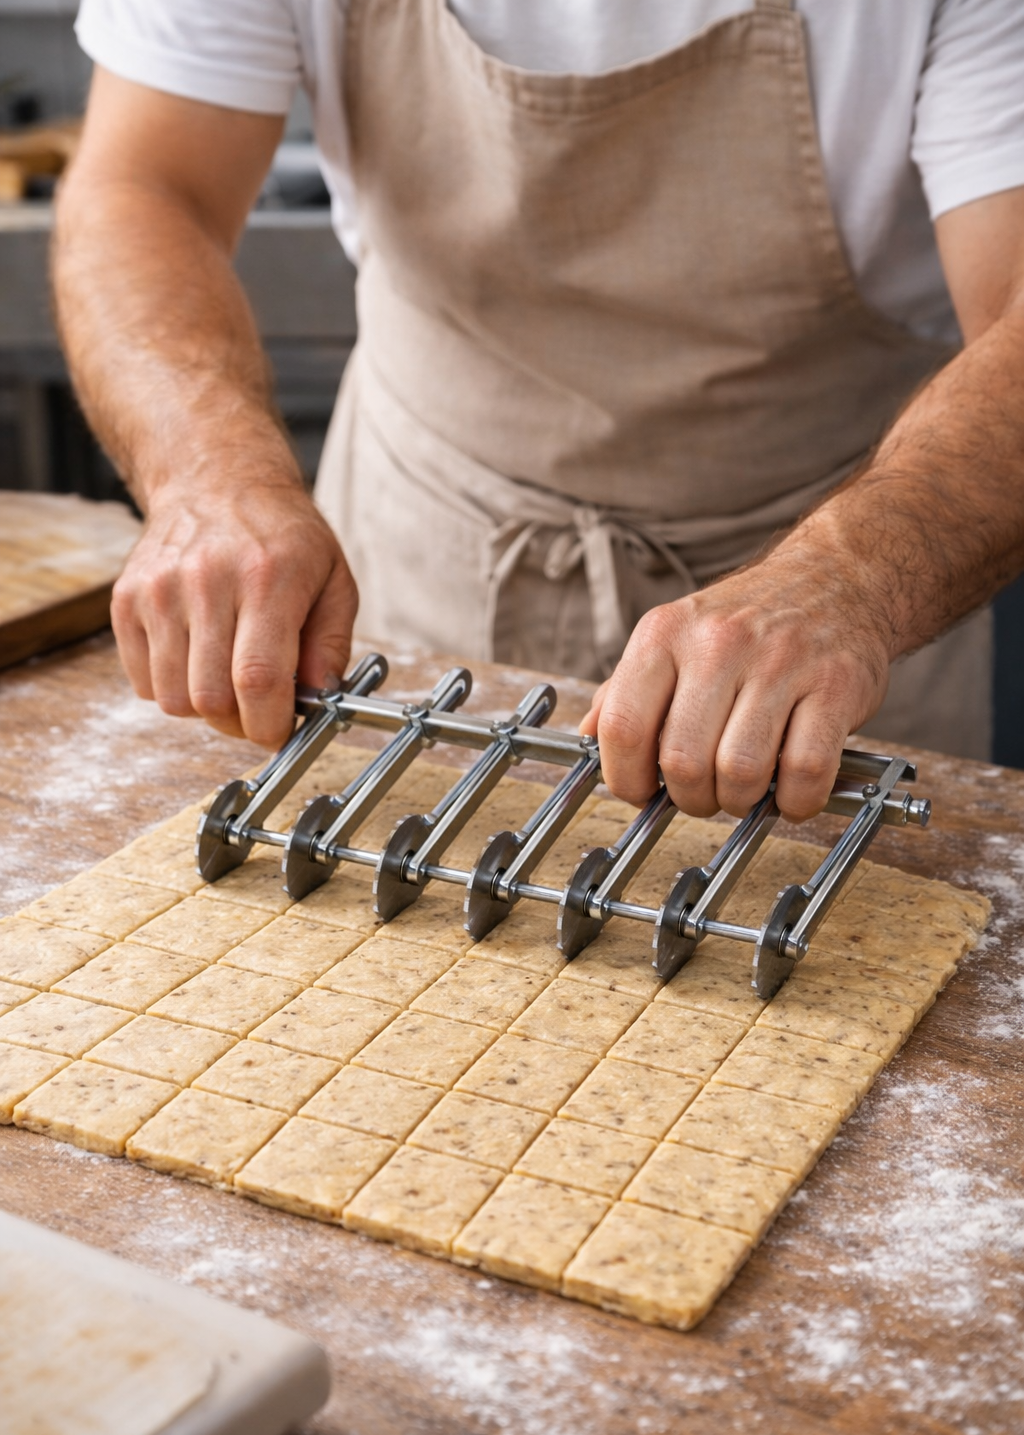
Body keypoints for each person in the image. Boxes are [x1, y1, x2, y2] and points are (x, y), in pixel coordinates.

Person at [56, 1, 1024, 823]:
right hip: (414, 589)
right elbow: (145, 186)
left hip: (821, 640)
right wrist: (209, 472)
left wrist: (846, 580)